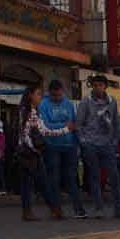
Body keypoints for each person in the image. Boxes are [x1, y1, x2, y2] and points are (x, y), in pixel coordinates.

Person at [75, 74, 120, 218]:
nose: (97, 88)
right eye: (95, 85)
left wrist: (115, 141)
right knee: (94, 177)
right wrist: (84, 142)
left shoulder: (112, 102)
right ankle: (99, 208)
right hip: (91, 144)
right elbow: (78, 124)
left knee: (114, 176)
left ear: (105, 87)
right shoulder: (86, 101)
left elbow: (116, 123)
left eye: (100, 85)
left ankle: (119, 209)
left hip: (107, 145)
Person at [37, 79, 85, 219]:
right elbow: (46, 126)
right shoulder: (43, 105)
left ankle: (79, 209)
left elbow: (74, 124)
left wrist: (78, 143)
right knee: (54, 179)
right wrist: (65, 126)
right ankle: (57, 210)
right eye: (54, 96)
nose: (58, 98)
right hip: (51, 146)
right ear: (49, 93)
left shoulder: (69, 104)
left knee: (71, 178)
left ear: (63, 92)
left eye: (59, 95)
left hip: (69, 146)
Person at [16, 85, 60, 221]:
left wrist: (64, 130)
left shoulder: (34, 111)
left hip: (29, 151)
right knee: (41, 181)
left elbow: (43, 130)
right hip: (29, 152)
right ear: (30, 95)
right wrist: (35, 149)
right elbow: (24, 134)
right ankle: (53, 209)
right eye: (38, 94)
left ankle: (30, 211)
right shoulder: (27, 111)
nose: (40, 97)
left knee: (28, 183)